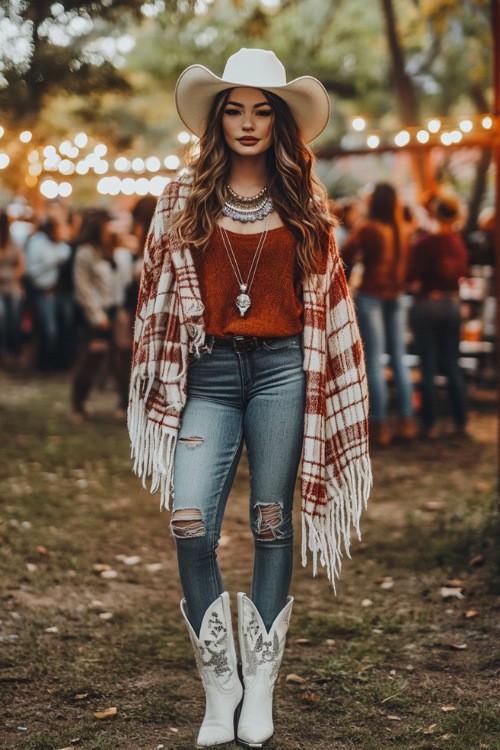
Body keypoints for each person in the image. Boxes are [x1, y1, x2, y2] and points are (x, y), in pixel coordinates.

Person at [128, 48, 371, 749]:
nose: (247, 122)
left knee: (271, 521)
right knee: (189, 522)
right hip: (206, 374)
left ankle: (259, 683)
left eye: (262, 110)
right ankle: (220, 682)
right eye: (234, 109)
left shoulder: (308, 203)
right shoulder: (181, 198)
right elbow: (155, 302)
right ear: (216, 119)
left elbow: (329, 308)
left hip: (280, 371)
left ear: (282, 122)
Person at [341, 183, 416, 446]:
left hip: (372, 295)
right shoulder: (406, 229)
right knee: (399, 358)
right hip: (397, 297)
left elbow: (343, 255)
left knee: (373, 361)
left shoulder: (368, 228)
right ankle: (407, 421)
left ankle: (380, 424)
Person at [408, 191, 469, 439]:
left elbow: (411, 276)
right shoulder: (458, 243)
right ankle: (460, 420)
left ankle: (430, 424)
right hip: (453, 305)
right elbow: (464, 271)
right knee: (452, 363)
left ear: (434, 211)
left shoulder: (424, 243)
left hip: (428, 305)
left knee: (429, 365)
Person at [71, 209, 132, 423]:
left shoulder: (109, 251)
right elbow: (83, 288)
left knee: (120, 360)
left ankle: (124, 405)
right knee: (91, 360)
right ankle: (78, 404)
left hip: (113, 309)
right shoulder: (85, 253)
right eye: (106, 227)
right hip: (96, 314)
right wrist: (97, 316)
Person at [0, 209, 25, 365]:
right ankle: (3, 351)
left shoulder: (12, 241)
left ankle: (15, 349)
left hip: (12, 285)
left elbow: (21, 264)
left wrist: (12, 276)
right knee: (1, 318)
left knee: (15, 318)